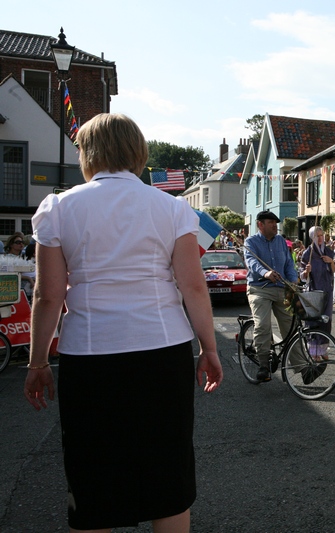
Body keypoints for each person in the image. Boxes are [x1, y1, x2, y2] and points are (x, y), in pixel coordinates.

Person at [23, 113, 222, 531]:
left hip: (91, 354)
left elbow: (48, 296)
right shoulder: (171, 208)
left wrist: (38, 361)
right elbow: (194, 287)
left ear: (87, 153)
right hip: (162, 350)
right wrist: (209, 348)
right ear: (138, 152)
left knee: (93, 476)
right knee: (167, 473)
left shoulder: (58, 208)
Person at [244, 210, 299, 382]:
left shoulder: (281, 241)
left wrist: (293, 280)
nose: (275, 226)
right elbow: (252, 263)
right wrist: (265, 273)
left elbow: (289, 263)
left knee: (291, 326)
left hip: (281, 288)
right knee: (262, 325)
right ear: (260, 225)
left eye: (276, 223)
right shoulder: (250, 242)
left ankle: (302, 366)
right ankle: (263, 365)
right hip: (259, 289)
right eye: (271, 222)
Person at [299, 226, 335, 338]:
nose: (320, 238)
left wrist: (331, 262)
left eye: (321, 235)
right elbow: (302, 276)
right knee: (314, 319)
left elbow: (333, 271)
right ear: (312, 237)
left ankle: (324, 347)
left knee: (326, 318)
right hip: (314, 290)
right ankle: (313, 348)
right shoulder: (307, 254)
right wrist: (306, 271)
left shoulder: (328, 251)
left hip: (327, 290)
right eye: (317, 236)